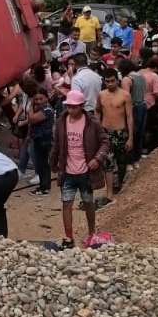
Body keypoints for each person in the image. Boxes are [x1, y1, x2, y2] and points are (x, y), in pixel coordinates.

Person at [50, 90, 110, 250]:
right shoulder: (61, 123)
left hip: (86, 173)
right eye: (68, 106)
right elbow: (57, 145)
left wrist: (97, 159)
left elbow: (105, 142)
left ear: (81, 106)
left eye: (74, 107)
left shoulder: (92, 123)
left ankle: (91, 233)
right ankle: (68, 237)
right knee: (66, 204)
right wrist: (53, 162)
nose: (70, 110)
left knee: (88, 202)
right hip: (68, 172)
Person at [95, 69, 132, 204]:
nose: (109, 84)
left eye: (112, 81)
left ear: (117, 80)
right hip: (106, 132)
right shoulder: (101, 95)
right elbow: (98, 111)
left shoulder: (125, 95)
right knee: (107, 163)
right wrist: (98, 128)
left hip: (121, 132)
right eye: (107, 81)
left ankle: (120, 183)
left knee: (121, 162)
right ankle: (109, 193)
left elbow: (129, 117)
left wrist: (130, 137)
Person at [27, 90, 55, 195]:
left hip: (44, 140)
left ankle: (44, 187)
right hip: (38, 139)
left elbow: (31, 119)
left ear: (46, 98)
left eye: (41, 99)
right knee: (41, 163)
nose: (38, 101)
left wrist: (30, 105)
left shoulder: (47, 110)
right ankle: (44, 186)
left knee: (42, 163)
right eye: (36, 99)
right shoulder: (41, 109)